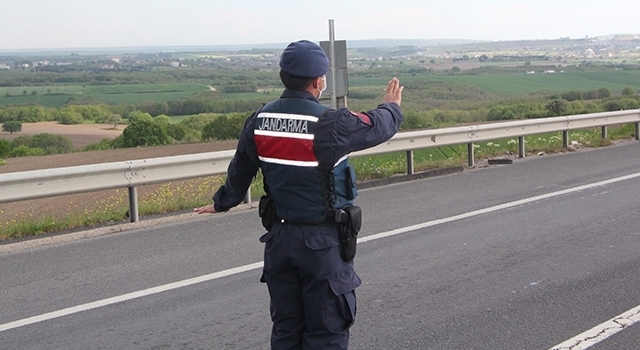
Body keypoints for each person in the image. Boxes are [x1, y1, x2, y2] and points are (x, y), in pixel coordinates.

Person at [194, 39, 403, 349]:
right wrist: (392, 106)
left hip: (279, 242)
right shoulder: (330, 123)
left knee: (287, 330)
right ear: (319, 81)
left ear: (284, 76)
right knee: (326, 331)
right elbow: (378, 127)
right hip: (322, 246)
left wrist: (222, 203)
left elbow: (241, 170)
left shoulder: (259, 120)